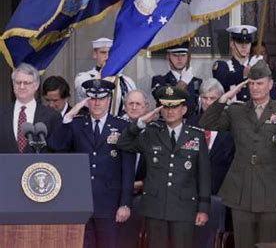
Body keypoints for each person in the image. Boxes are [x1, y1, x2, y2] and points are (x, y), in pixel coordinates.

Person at [200, 60, 276, 248]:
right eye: (251, 83)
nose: (255, 87)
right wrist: (226, 97)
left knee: (269, 244)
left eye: (260, 83)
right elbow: (207, 121)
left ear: (270, 84)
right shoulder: (236, 111)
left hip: (272, 192)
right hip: (242, 191)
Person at [117, 86, 211, 248]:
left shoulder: (196, 136)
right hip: (156, 207)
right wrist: (140, 123)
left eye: (174, 107)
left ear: (184, 109)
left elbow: (204, 175)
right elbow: (123, 143)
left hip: (184, 208)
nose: (170, 111)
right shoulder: (151, 133)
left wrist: (203, 208)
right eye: (166, 107)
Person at [48, 79, 135, 248]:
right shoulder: (76, 124)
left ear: (109, 100)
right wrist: (67, 118)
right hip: (80, 202)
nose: (96, 103)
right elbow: (56, 146)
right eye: (92, 99)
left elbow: (128, 169)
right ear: (87, 100)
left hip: (110, 203)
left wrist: (125, 203)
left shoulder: (122, 126)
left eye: (101, 98)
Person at [0, 63, 62, 153]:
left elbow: (58, 150)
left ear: (36, 85)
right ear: (13, 85)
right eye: (18, 82)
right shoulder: (2, 113)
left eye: (26, 83)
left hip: (39, 166)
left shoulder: (52, 116)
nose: (21, 87)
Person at [187, 78, 235, 195]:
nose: (208, 102)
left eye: (212, 98)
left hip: (222, 190)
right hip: (192, 190)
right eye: (204, 98)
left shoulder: (231, 124)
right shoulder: (191, 123)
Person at [118, 90, 150, 248]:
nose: (134, 107)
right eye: (131, 103)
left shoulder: (154, 131)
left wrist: (140, 184)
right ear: (124, 106)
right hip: (117, 195)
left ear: (146, 107)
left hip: (144, 196)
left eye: (138, 104)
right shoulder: (115, 127)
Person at [75, 37, 136, 116]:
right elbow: (84, 90)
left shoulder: (127, 82)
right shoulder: (83, 77)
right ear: (95, 54)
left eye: (111, 53)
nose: (107, 57)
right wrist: (105, 73)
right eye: (103, 52)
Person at [212, 25, 262, 102]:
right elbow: (224, 79)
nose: (244, 46)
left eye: (247, 42)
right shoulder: (222, 66)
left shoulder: (258, 66)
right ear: (232, 44)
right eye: (240, 42)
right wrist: (249, 68)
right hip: (230, 112)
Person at [151, 41, 202, 116]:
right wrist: (183, 82)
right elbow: (169, 100)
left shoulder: (197, 82)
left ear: (188, 57)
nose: (179, 59)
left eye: (183, 55)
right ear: (168, 57)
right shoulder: (159, 80)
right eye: (175, 55)